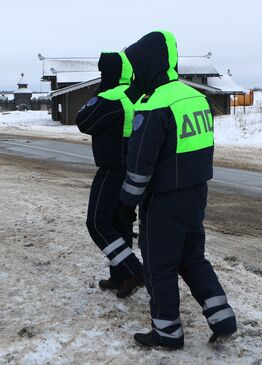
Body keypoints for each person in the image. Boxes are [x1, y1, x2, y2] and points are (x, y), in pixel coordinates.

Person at [120, 30, 237, 349]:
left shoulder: (155, 103)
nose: (134, 73)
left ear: (147, 64)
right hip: (196, 195)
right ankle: (222, 317)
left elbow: (140, 165)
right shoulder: (195, 98)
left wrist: (126, 202)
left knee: (159, 266)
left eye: (136, 65)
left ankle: (167, 333)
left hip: (164, 202)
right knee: (192, 258)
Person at [76, 52, 144, 298]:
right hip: (132, 168)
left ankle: (134, 271)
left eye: (103, 73)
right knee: (120, 223)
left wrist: (100, 90)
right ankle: (120, 277)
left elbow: (83, 121)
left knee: (96, 222)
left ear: (110, 74)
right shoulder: (135, 93)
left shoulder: (111, 97)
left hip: (112, 169)